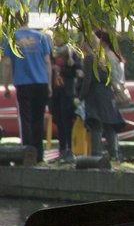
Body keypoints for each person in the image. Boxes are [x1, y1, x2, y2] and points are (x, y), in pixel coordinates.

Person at [1, 16, 53, 163]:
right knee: (38, 119)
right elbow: (47, 62)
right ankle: (39, 154)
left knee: (26, 120)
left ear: (16, 21)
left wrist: (6, 84)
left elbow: (7, 64)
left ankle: (27, 154)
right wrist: (49, 84)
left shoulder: (12, 38)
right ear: (28, 20)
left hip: (24, 83)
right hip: (41, 82)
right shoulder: (41, 37)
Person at [77, 27, 127, 161]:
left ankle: (97, 155)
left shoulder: (89, 58)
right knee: (109, 124)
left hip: (94, 95)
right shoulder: (105, 57)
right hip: (107, 94)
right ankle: (114, 155)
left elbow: (88, 80)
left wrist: (80, 97)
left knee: (95, 125)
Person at [49, 30, 83, 163]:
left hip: (67, 91)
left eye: (58, 37)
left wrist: (61, 70)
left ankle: (70, 150)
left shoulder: (72, 53)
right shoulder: (52, 52)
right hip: (55, 91)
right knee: (58, 120)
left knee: (66, 120)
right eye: (55, 37)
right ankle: (62, 149)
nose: (56, 39)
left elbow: (77, 72)